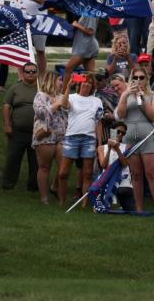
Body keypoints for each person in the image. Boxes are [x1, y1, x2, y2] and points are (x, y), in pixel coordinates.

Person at [116, 67, 154, 212]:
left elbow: (153, 116)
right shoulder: (126, 94)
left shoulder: (153, 94)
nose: (138, 80)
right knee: (136, 174)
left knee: (151, 173)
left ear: (147, 79)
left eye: (142, 77)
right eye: (135, 77)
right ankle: (139, 208)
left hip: (147, 135)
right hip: (130, 135)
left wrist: (141, 97)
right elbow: (121, 114)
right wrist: (125, 95)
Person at [58, 73, 103, 208]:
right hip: (72, 137)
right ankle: (62, 201)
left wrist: (99, 143)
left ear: (92, 86)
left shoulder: (96, 101)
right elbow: (64, 105)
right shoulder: (72, 97)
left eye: (90, 83)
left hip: (89, 139)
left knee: (87, 173)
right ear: (79, 84)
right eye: (85, 82)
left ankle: (84, 203)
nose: (87, 84)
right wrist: (68, 87)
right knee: (63, 173)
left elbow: (98, 122)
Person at [11, 0, 54, 74]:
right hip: (23, 18)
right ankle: (21, 77)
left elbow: (52, 0)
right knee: (22, 49)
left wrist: (44, 1)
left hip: (40, 19)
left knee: (40, 50)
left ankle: (42, 76)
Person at [1, 61, 39, 192]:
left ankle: (34, 185)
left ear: (37, 73)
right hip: (17, 130)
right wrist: (7, 125)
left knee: (36, 161)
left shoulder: (42, 88)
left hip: (37, 132)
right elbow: (6, 106)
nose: (30, 74)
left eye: (33, 71)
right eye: (27, 71)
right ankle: (8, 183)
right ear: (22, 73)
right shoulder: (15, 88)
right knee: (13, 158)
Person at [32, 70, 66, 205]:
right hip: (45, 134)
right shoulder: (40, 95)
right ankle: (44, 197)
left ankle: (56, 187)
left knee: (63, 166)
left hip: (61, 135)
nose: (61, 82)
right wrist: (55, 105)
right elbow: (40, 112)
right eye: (60, 80)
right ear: (52, 80)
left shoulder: (62, 96)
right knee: (44, 166)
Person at [97, 120, 135, 211]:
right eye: (118, 132)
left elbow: (125, 164)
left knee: (128, 207)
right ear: (112, 132)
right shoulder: (101, 148)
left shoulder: (127, 147)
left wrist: (117, 150)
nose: (121, 135)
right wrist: (110, 149)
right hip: (107, 177)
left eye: (123, 133)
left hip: (122, 178)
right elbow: (103, 165)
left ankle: (122, 201)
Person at [62, 15, 98, 85]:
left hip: (85, 47)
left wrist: (77, 25)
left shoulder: (91, 13)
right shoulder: (86, 12)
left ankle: (63, 94)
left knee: (68, 68)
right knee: (90, 75)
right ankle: (97, 90)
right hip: (86, 46)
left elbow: (91, 31)